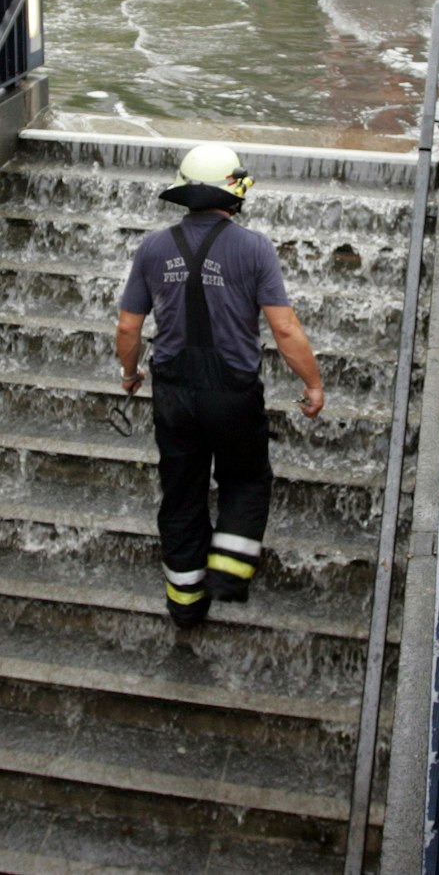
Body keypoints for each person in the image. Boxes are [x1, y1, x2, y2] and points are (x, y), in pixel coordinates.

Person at [115, 144, 325, 630]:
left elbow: (129, 328)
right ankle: (228, 576)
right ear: (234, 192)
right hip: (232, 392)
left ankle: (185, 603)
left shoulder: (153, 247)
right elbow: (286, 328)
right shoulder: (254, 248)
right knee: (246, 477)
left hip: (172, 392)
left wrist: (130, 374)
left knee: (182, 491)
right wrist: (311, 383)